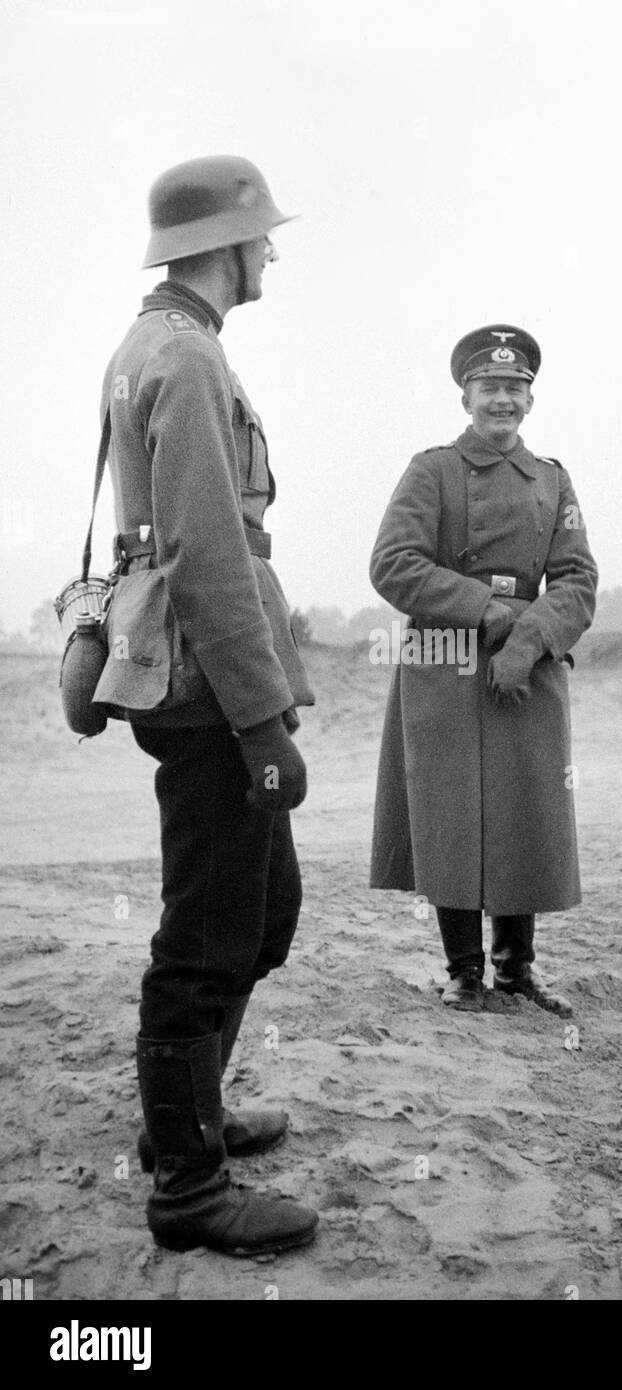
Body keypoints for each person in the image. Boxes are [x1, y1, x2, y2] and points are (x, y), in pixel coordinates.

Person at [92, 156, 318, 1254]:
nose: (271, 249)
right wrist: (261, 719)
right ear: (225, 244)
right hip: (203, 686)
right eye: (261, 235)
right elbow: (204, 551)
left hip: (184, 674)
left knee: (261, 913)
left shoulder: (157, 344)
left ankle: (192, 1117)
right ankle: (186, 1186)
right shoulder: (184, 358)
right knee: (206, 937)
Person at [369, 325, 598, 1014]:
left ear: (529, 399)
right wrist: (494, 613)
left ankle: (516, 969)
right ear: (465, 395)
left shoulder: (552, 480)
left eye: (514, 388)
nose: (501, 399)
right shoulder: (432, 470)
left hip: (526, 671)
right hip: (444, 666)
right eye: (489, 387)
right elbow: (393, 565)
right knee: (452, 813)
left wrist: (528, 642)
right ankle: (463, 970)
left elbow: (578, 579)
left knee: (523, 809)